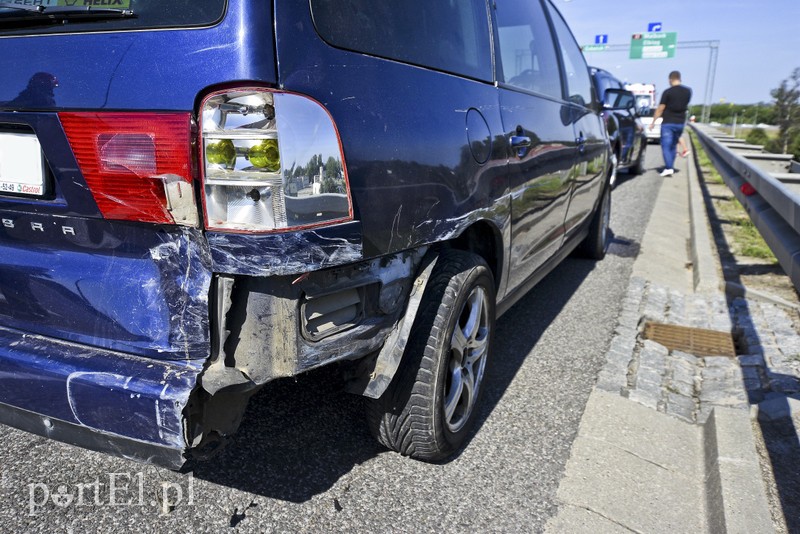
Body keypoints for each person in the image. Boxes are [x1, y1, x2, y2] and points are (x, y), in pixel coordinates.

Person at [649, 71, 692, 176]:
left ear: (670, 80)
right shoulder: (688, 91)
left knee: (666, 145)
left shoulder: (667, 92)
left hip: (668, 122)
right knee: (673, 145)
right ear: (679, 78)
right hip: (680, 122)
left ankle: (668, 167)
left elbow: (661, 108)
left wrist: (653, 121)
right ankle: (670, 166)